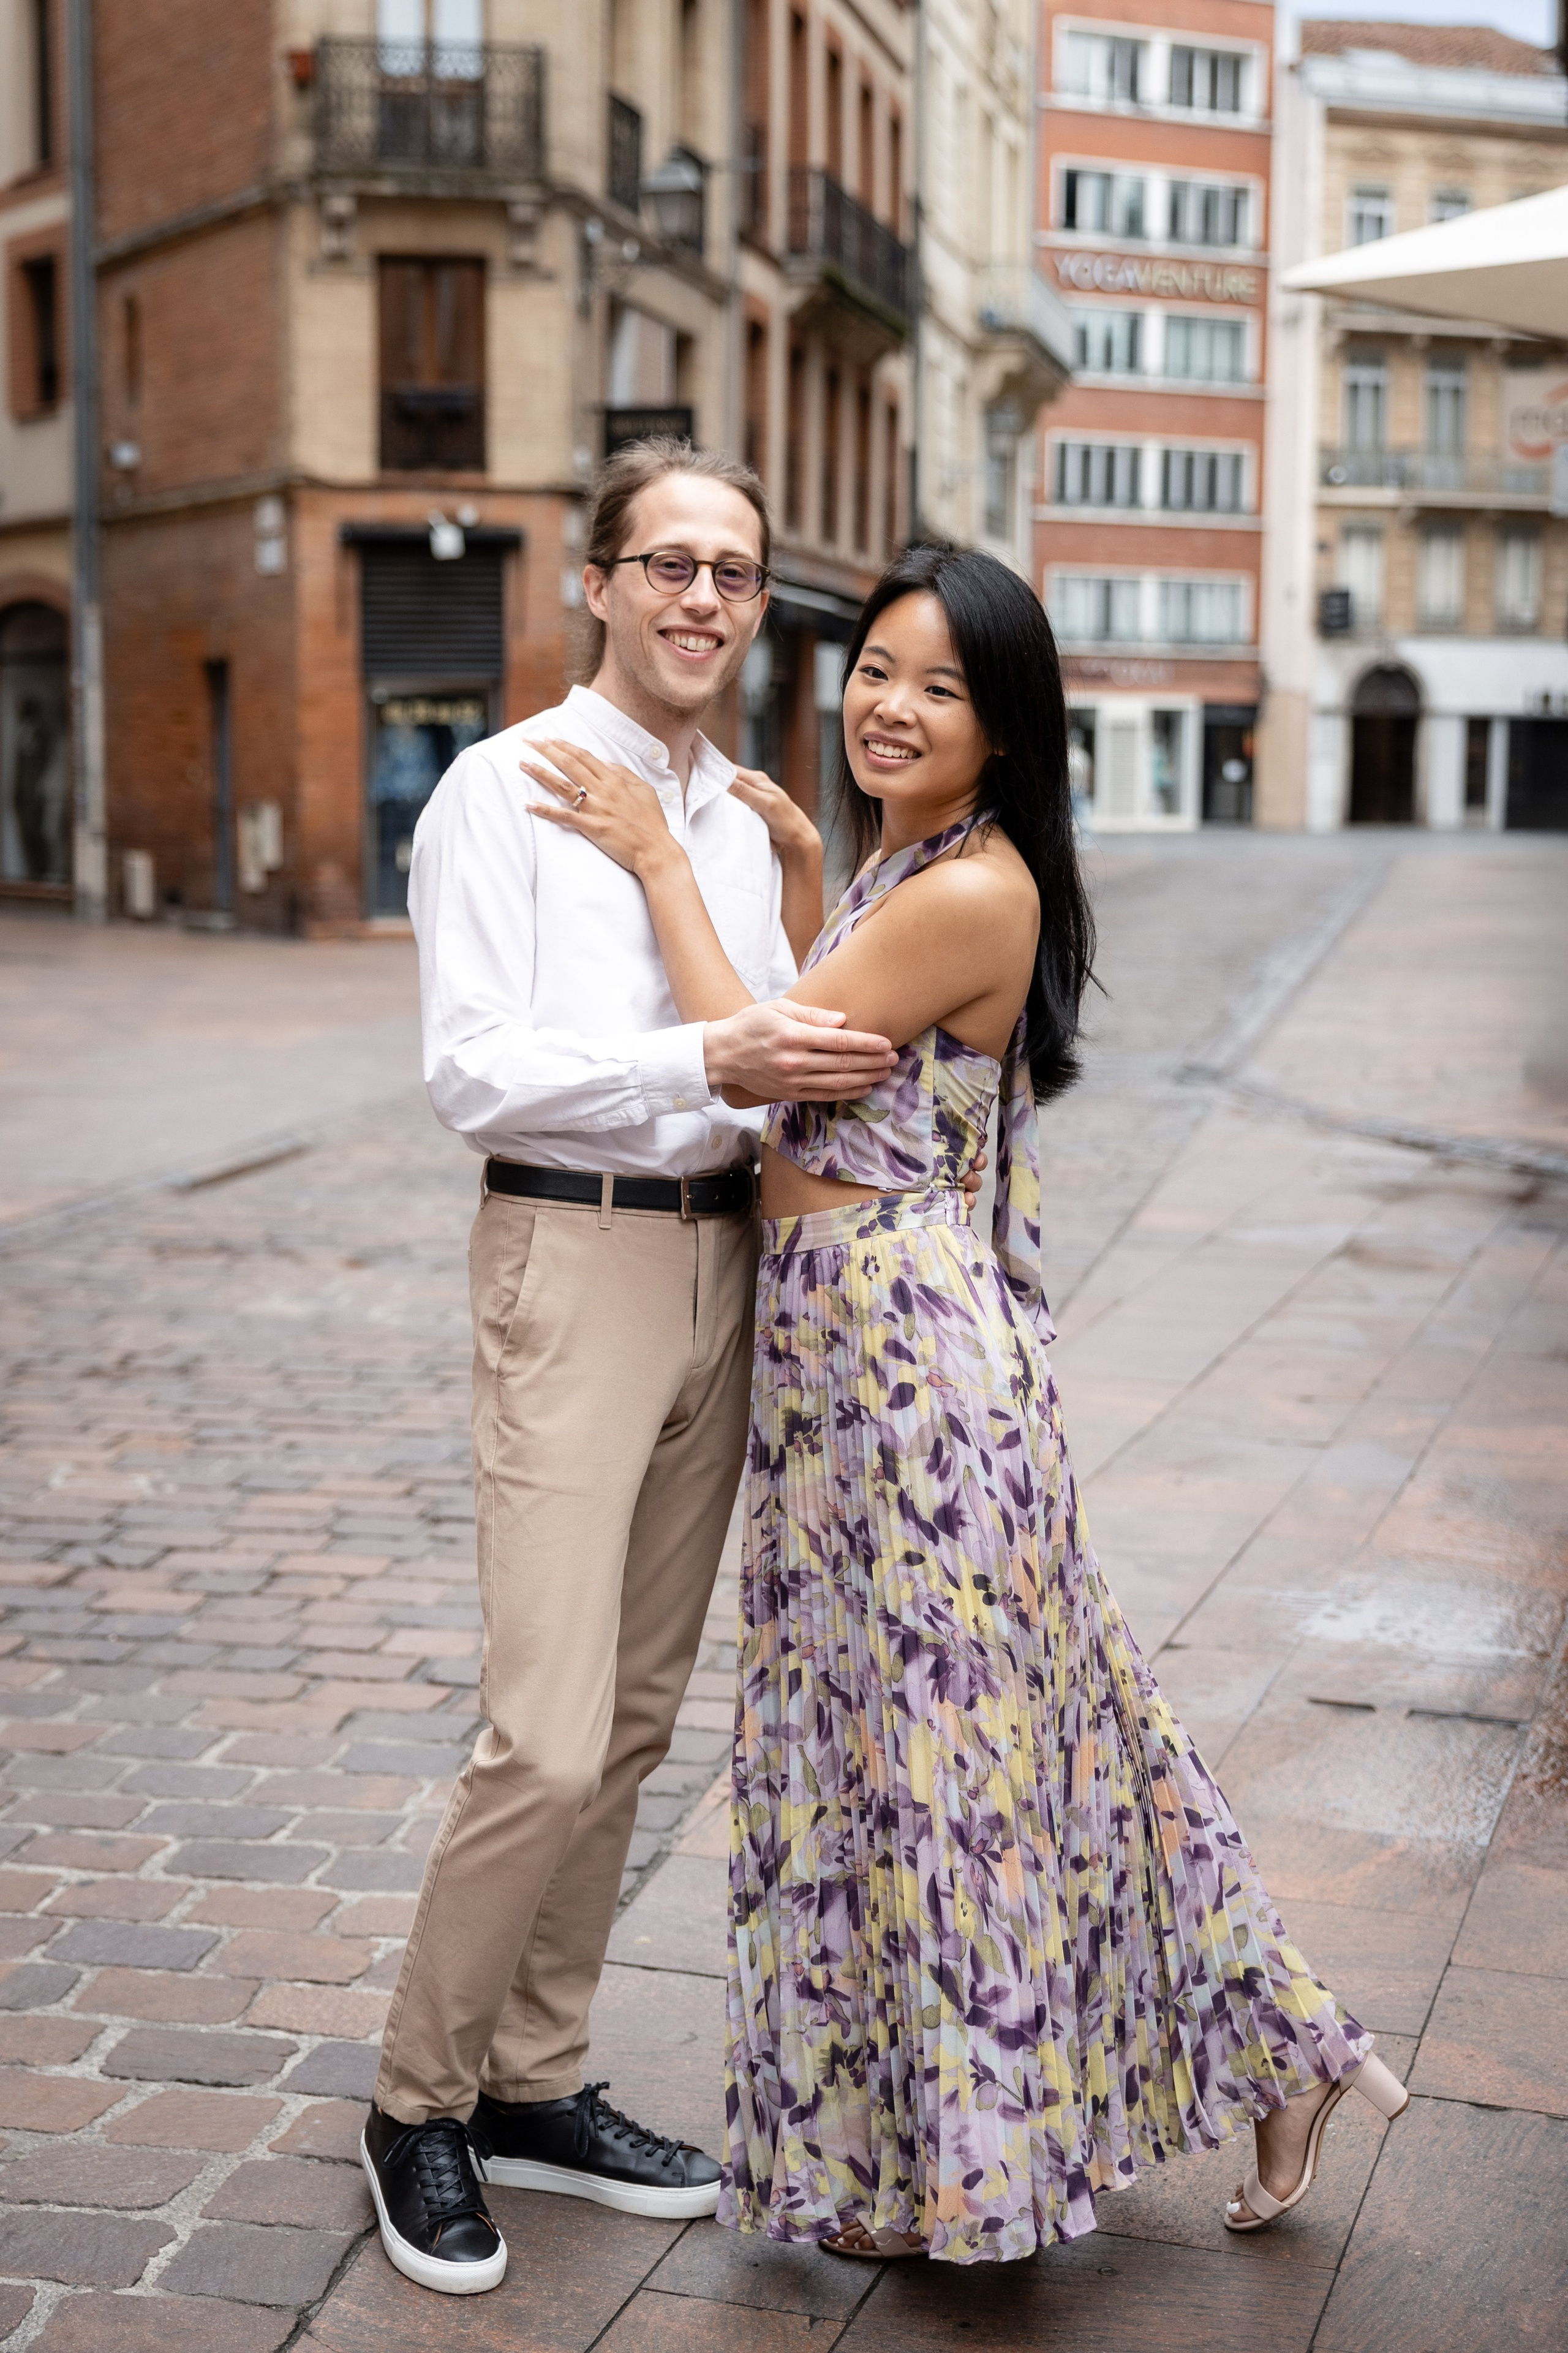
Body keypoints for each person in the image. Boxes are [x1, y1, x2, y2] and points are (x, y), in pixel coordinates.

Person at [523, 541, 1412, 2267]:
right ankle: (1260, 2054)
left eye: (940, 684)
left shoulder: (973, 889)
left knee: (953, 1769)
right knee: (1002, 1748)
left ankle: (997, 2158)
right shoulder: (909, 861)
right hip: (853, 1363)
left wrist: (657, 861)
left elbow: (767, 1069)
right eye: (875, 668)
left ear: (1005, 727)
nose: (890, 703)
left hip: (915, 1381)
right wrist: (801, 876)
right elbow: (842, 1057)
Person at [360, 439, 913, 2297]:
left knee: (649, 1712)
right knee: (546, 1720)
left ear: (760, 603)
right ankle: (416, 2097)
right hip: (573, 1250)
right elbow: (474, 1068)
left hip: (725, 1270)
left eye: (733, 572)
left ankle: (533, 2074)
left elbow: (786, 1024)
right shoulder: (499, 791)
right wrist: (709, 1066)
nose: (700, 596)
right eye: (666, 562)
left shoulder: (748, 816)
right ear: (594, 580)